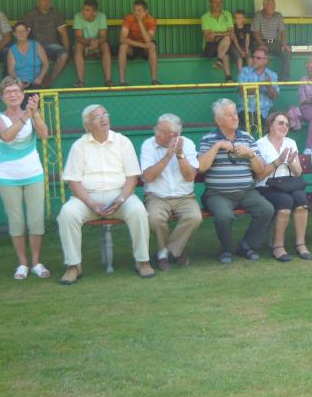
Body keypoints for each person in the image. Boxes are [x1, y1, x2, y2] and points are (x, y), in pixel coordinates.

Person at [57, 105, 154, 284]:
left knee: (138, 211)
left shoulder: (123, 142)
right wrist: (91, 204)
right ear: (88, 125)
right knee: (67, 214)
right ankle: (73, 266)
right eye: (97, 117)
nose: (104, 119)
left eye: (105, 114)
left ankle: (142, 261)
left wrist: (122, 198)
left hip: (119, 195)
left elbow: (132, 177)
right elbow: (74, 182)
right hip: (87, 198)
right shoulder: (79, 146)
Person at [198, 98, 274, 264]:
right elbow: (202, 167)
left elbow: (260, 170)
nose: (235, 117)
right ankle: (226, 249)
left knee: (266, 209)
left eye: (235, 113)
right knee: (224, 216)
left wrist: (250, 154)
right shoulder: (208, 139)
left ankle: (246, 246)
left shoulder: (247, 138)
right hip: (218, 194)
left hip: (246, 191)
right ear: (218, 120)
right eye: (229, 115)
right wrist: (217, 146)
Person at [0, 77, 50, 280]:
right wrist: (26, 115)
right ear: (2, 97)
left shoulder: (30, 114)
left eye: (16, 91)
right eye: (8, 92)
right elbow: (7, 136)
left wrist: (35, 113)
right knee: (16, 221)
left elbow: (44, 134)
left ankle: (36, 263)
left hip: (34, 174)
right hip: (8, 177)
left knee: (36, 220)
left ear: (23, 95)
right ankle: (23, 264)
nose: (13, 95)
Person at [140, 113, 202, 271]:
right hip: (157, 197)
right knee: (154, 219)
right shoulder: (148, 145)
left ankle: (167, 252)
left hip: (185, 197)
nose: (157, 133)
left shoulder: (187, 144)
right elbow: (148, 177)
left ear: (174, 135)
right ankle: (175, 252)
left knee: (194, 217)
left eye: (162, 131)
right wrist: (168, 156)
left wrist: (180, 155)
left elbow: (190, 176)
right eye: (157, 129)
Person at [253, 111, 312, 261]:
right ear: (270, 125)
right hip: (267, 186)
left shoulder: (290, 143)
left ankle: (300, 243)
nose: (284, 126)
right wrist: (277, 162)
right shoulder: (260, 145)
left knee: (301, 199)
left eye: (287, 124)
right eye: (280, 123)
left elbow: (298, 172)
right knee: (285, 201)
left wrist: (291, 161)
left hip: (288, 184)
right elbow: (259, 175)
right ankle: (278, 246)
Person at [21, 0, 70, 87]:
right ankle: (31, 84)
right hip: (35, 47)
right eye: (44, 1)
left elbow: (64, 34)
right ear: (38, 1)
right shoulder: (31, 15)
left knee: (64, 55)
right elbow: (24, 35)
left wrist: (67, 51)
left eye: (48, 0)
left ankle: (49, 80)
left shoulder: (56, 15)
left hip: (53, 46)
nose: (47, 3)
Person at [118, 0, 159, 86]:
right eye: (135, 10)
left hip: (145, 48)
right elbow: (122, 39)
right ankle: (122, 81)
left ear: (145, 12)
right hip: (132, 46)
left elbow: (148, 40)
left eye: (139, 10)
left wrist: (140, 21)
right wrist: (141, 44)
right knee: (122, 47)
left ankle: (154, 80)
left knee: (152, 45)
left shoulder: (151, 20)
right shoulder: (129, 18)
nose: (136, 13)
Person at [73, 0, 112, 87]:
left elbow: (103, 36)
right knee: (78, 45)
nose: (84, 12)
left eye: (87, 10)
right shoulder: (78, 16)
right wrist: (91, 42)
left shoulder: (101, 16)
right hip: (85, 46)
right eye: (83, 9)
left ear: (94, 12)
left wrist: (97, 42)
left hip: (97, 45)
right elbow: (78, 37)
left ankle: (108, 80)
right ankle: (80, 81)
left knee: (105, 45)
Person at [237, 46, 279, 129]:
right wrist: (261, 84)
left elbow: (274, 96)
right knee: (252, 124)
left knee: (279, 121)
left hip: (267, 110)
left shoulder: (272, 74)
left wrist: (269, 86)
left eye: (258, 58)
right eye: (253, 57)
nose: (254, 60)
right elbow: (242, 92)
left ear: (265, 61)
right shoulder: (244, 71)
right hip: (248, 110)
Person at [252, 0, 291, 81]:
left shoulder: (278, 15)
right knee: (261, 54)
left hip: (275, 42)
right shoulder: (258, 15)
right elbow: (255, 32)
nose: (273, 7)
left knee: (286, 52)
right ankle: (263, 79)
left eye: (274, 5)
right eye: (271, 5)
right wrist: (262, 44)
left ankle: (284, 79)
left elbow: (282, 30)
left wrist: (284, 43)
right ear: (264, 6)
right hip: (261, 42)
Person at [201, 0, 236, 82]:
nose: (218, 4)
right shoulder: (205, 17)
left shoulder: (227, 14)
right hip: (211, 47)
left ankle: (221, 64)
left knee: (227, 41)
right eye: (215, 2)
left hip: (225, 45)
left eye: (220, 2)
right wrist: (224, 33)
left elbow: (232, 33)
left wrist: (216, 34)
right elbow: (208, 37)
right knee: (226, 41)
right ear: (210, 3)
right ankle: (227, 75)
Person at [6, 22, 49, 88]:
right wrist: (19, 82)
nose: (21, 33)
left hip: (36, 82)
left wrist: (40, 78)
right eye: (18, 32)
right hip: (20, 83)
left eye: (23, 31)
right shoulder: (12, 50)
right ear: (14, 34)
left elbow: (45, 64)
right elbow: (11, 70)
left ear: (27, 32)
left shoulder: (36, 45)